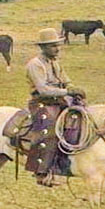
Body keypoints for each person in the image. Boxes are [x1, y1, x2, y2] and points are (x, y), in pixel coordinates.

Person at [25, 28, 86, 186]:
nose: (57, 49)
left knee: (82, 116)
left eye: (58, 45)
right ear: (43, 47)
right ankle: (41, 171)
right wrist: (67, 91)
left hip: (58, 101)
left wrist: (74, 89)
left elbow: (66, 81)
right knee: (50, 130)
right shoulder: (35, 64)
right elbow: (43, 90)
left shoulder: (55, 63)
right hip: (42, 103)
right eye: (53, 46)